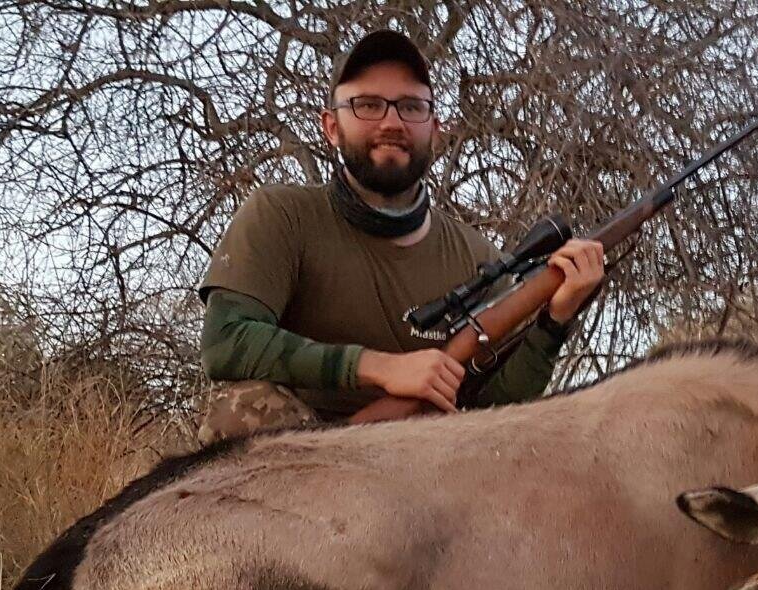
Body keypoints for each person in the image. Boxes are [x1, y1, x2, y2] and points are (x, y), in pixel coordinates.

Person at [197, 28, 604, 443]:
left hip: (422, 463)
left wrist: (555, 320)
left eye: (411, 107)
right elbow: (225, 342)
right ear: (331, 126)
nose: (392, 122)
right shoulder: (281, 214)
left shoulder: (479, 257)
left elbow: (495, 409)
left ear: (435, 129)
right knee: (242, 409)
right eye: (368, 105)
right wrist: (379, 368)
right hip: (303, 460)